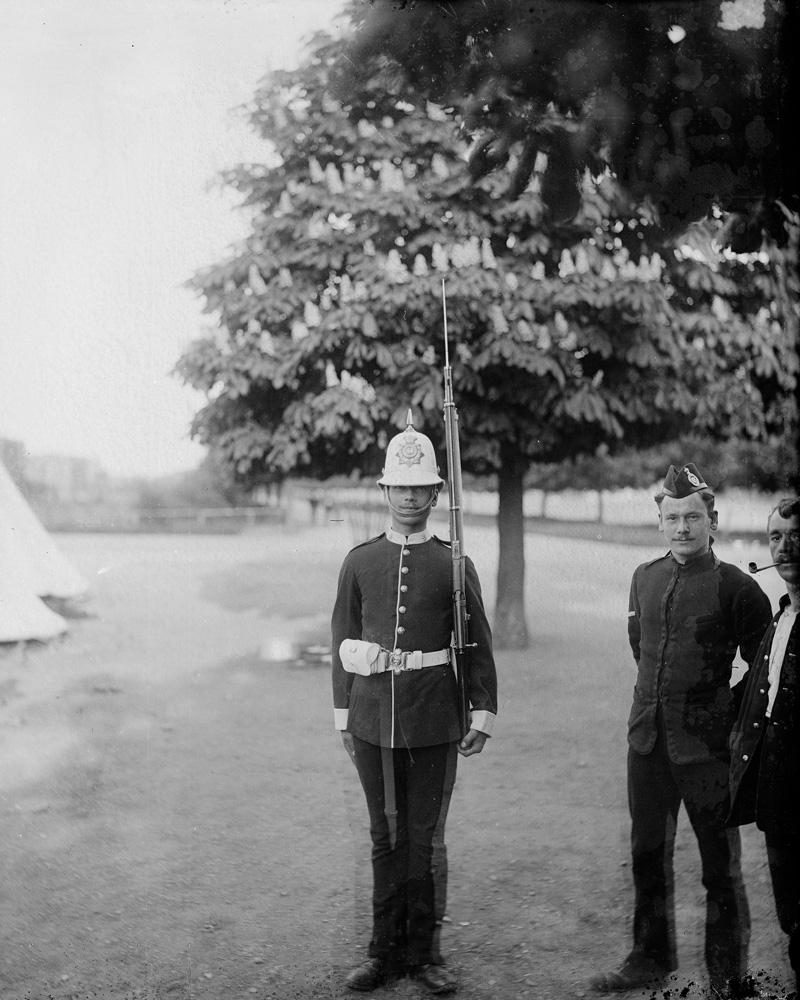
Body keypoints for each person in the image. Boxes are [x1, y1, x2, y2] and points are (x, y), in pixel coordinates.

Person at [590, 463, 773, 997]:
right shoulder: (644, 577)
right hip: (646, 743)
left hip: (708, 751)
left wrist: (719, 713)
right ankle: (649, 958)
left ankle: (727, 974)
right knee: (648, 854)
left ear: (712, 521)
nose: (682, 528)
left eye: (693, 517)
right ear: (660, 523)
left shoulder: (738, 588)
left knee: (720, 868)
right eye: (672, 518)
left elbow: (762, 673)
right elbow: (640, 648)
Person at [331, 413, 498, 995]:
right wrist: (342, 713)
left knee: (424, 838)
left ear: (435, 492)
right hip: (373, 714)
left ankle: (425, 954)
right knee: (384, 835)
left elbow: (477, 640)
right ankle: (382, 952)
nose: (409, 496)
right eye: (399, 487)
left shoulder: (454, 563)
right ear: (385, 491)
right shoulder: (360, 560)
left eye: (420, 487)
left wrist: (482, 710)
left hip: (434, 715)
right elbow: (341, 636)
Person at [728, 496, 800, 998]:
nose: (786, 546)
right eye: (776, 537)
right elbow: (759, 690)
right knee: (791, 908)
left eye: (798, 536)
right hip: (779, 789)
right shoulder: (781, 618)